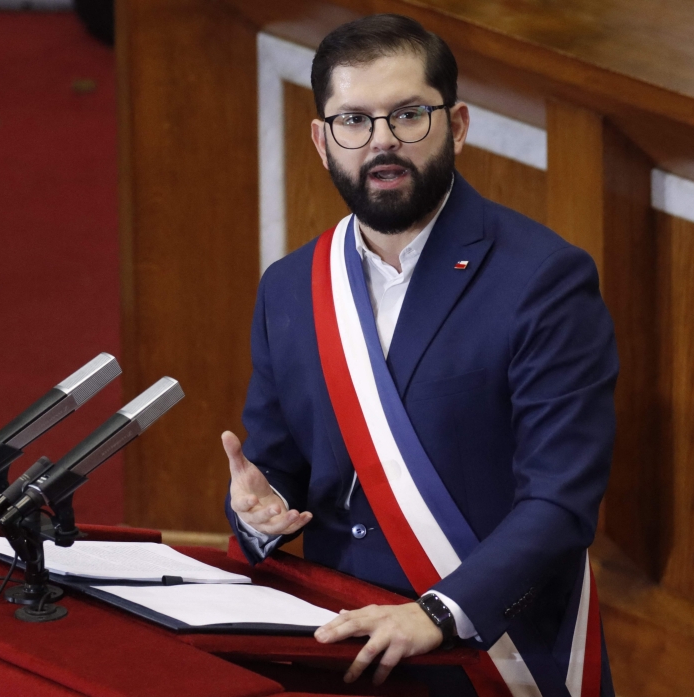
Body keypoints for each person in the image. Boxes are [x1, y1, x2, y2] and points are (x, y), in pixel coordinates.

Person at [222, 14, 618, 697]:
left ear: (457, 125)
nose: (382, 142)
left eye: (408, 115)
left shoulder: (545, 280)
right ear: (321, 140)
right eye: (353, 121)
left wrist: (438, 612)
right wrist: (260, 509)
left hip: (485, 653)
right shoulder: (290, 286)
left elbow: (561, 499)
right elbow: (280, 463)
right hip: (339, 644)